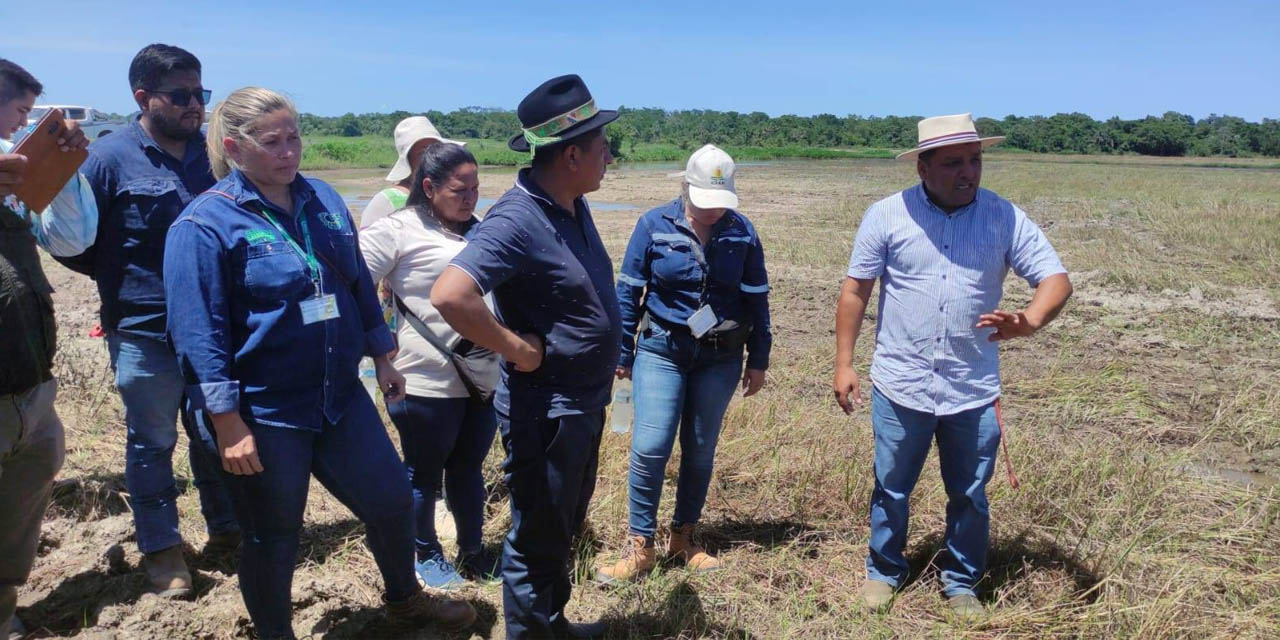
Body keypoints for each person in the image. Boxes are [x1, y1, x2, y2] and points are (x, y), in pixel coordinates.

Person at [164, 87, 475, 640]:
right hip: (265, 411)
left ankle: (405, 601)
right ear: (234, 148)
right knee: (274, 535)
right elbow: (198, 333)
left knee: (391, 500)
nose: (289, 152)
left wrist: (382, 353)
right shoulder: (204, 225)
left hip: (338, 398)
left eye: (294, 138)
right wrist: (226, 421)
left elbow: (355, 280)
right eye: (273, 141)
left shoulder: (324, 200)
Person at [832, 113, 1073, 617]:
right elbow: (856, 291)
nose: (968, 172)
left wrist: (1029, 321)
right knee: (892, 486)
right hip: (902, 382)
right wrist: (844, 363)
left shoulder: (1005, 217)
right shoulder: (886, 215)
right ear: (922, 167)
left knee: (969, 493)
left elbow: (1055, 279)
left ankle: (961, 582)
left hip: (971, 386)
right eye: (953, 163)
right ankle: (884, 571)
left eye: (975, 160)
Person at [431, 74, 620, 639]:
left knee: (559, 525)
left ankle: (550, 623)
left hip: (580, 400)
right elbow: (450, 293)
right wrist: (517, 349)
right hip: (547, 409)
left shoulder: (568, 203)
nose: (610, 154)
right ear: (571, 155)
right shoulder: (518, 219)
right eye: (602, 145)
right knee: (537, 529)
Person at [53, 43, 237, 598]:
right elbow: (73, 239)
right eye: (180, 97)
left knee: (214, 432)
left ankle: (227, 531)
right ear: (143, 97)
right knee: (152, 442)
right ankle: (161, 550)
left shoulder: (212, 157)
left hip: (212, 327)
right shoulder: (109, 159)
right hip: (142, 330)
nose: (194, 107)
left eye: (200, 95)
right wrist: (119, 281)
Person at [596, 144, 772, 584]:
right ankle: (641, 546)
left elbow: (757, 300)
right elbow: (628, 293)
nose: (714, 212)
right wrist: (622, 354)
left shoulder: (743, 232)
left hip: (721, 357)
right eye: (705, 202)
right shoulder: (654, 225)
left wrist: (760, 358)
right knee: (650, 446)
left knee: (700, 448)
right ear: (685, 187)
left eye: (721, 203)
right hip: (661, 351)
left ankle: (684, 538)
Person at [359, 142, 500, 589]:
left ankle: (473, 552)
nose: (471, 197)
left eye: (476, 187)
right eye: (460, 189)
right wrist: (381, 352)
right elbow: (353, 287)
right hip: (424, 379)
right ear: (428, 186)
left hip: (481, 378)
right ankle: (424, 552)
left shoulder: (478, 230)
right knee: (423, 473)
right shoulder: (398, 230)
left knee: (468, 468)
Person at [0, 58, 95, 640]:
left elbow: (73, 238)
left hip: (30, 386)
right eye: (18, 114)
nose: (21, 130)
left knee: (18, 511)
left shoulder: (13, 187)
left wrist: (63, 170)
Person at [358, 115, 463, 229]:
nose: (432, 157)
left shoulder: (449, 194)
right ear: (408, 160)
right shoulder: (386, 202)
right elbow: (368, 243)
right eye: (423, 153)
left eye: (436, 149)